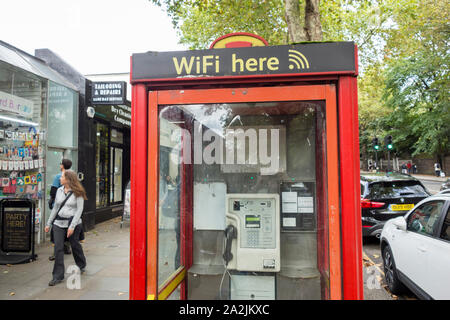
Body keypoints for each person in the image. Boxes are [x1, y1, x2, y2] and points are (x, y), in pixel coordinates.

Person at [45, 170, 87, 286]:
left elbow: (79, 210)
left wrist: (72, 226)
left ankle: (81, 264)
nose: (60, 178)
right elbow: (55, 208)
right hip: (58, 223)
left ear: (68, 179)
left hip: (73, 223)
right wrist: (48, 223)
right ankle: (57, 276)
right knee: (58, 248)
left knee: (75, 245)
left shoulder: (78, 192)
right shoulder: (59, 191)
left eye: (62, 177)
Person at [48, 159, 73, 260]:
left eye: (60, 164)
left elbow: (53, 191)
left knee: (56, 229)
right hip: (70, 206)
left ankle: (56, 252)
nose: (59, 165)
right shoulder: (72, 175)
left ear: (62, 166)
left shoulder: (59, 176)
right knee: (67, 226)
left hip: (59, 207)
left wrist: (51, 201)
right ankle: (67, 247)